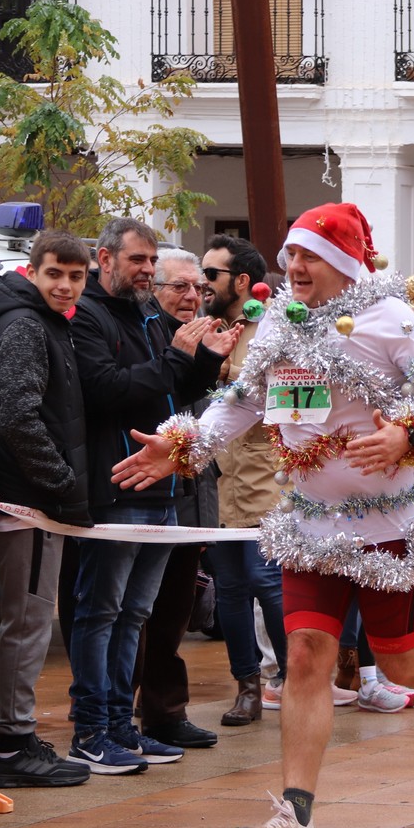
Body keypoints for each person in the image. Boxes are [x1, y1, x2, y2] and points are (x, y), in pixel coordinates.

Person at [111, 203, 414, 828]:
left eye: (309, 255)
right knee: (304, 656)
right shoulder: (280, 319)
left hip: (388, 522)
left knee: (399, 659)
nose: (294, 266)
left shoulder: (388, 319)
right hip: (309, 524)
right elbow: (245, 401)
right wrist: (183, 445)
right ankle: (295, 817)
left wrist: (404, 431)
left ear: (346, 260)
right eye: (291, 254)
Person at [69, 217, 237, 774]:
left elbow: (177, 391)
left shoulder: (146, 315)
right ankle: (90, 731)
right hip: (115, 484)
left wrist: (207, 357)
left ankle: (122, 726)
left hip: (164, 484)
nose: (145, 270)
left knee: (135, 612)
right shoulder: (87, 316)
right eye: (138, 260)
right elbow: (107, 391)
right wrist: (173, 358)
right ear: (106, 258)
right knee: (101, 612)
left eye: (149, 261)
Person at [0, 231, 93, 788]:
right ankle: (16, 746)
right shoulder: (24, 325)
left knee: (22, 621)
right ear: (31, 272)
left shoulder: (35, 319)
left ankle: (17, 736)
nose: (65, 286)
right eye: (54, 275)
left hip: (24, 494)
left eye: (76, 276)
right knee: (28, 620)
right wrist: (62, 485)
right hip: (28, 499)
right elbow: (19, 416)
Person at [199, 234, 309, 727]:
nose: (203, 285)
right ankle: (246, 685)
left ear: (241, 281)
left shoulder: (280, 327)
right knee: (230, 588)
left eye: (212, 275)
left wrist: (237, 386)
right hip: (222, 481)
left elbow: (300, 405)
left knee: (270, 582)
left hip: (271, 481)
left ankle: (293, 680)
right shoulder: (206, 328)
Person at [136, 248, 220, 750]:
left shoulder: (206, 335)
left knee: (175, 611)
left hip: (192, 492)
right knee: (133, 612)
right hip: (146, 489)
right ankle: (114, 717)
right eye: (180, 287)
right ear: (154, 290)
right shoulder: (143, 333)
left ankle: (167, 713)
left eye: (199, 289)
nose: (192, 297)